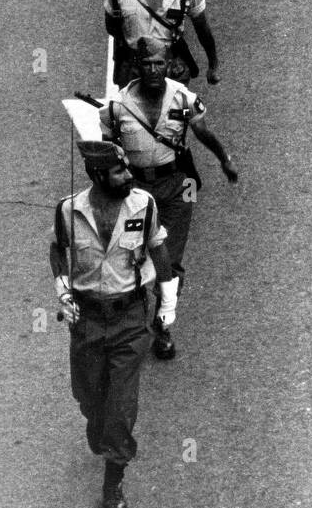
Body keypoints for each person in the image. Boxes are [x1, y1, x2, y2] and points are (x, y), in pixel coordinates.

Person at [49, 139, 174, 508]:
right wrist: (63, 288)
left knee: (121, 405)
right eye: (119, 170)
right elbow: (58, 249)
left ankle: (113, 481)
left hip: (129, 319)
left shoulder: (144, 205)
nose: (128, 175)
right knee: (89, 395)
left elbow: (158, 249)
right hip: (87, 319)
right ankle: (97, 422)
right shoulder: (70, 210)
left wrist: (168, 303)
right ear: (97, 174)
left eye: (126, 168)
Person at [99, 36, 238, 360]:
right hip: (136, 191)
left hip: (178, 186)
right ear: (136, 66)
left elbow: (202, 131)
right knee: (131, 257)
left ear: (168, 64)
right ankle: (131, 324)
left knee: (169, 262)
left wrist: (224, 158)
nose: (152, 69)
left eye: (158, 63)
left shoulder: (183, 98)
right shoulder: (116, 107)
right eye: (146, 64)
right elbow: (107, 156)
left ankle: (163, 326)